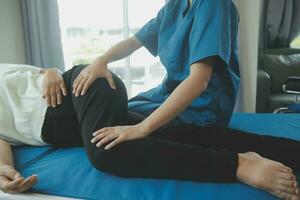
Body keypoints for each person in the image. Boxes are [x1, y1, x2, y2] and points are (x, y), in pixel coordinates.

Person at [0, 0, 299, 199]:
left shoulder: (212, 4)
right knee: (149, 130)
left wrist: (140, 128)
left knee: (111, 149)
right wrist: (102, 58)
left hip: (198, 105)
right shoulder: (175, 7)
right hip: (156, 99)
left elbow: (199, 81)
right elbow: (133, 42)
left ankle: (239, 165)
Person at [0, 63, 300, 200]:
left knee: (106, 155)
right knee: (180, 135)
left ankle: (240, 165)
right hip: (80, 121)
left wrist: (50, 72)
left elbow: (44, 72)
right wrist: (5, 169)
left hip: (83, 89)